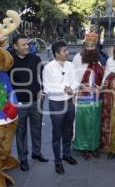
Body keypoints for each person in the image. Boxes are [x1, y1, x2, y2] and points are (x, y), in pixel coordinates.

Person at [8, 34, 48, 172]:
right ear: (15, 46)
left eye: (27, 44)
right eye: (23, 45)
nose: (27, 47)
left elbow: (43, 76)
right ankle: (23, 158)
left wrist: (43, 91)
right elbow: (6, 83)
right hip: (20, 104)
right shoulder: (10, 62)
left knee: (37, 129)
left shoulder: (35, 58)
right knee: (21, 132)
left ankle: (36, 152)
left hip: (36, 102)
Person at [43, 41, 79, 174]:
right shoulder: (48, 68)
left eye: (67, 50)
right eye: (64, 51)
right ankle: (57, 161)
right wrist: (65, 89)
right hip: (56, 103)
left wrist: (72, 88)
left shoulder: (70, 65)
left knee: (68, 130)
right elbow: (47, 88)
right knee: (57, 133)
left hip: (69, 102)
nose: (67, 52)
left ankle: (67, 154)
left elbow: (76, 80)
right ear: (57, 53)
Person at [72, 33, 104, 160]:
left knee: (96, 122)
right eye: (88, 45)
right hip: (82, 96)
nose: (90, 48)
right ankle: (84, 147)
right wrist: (82, 87)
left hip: (96, 96)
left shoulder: (99, 59)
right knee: (83, 122)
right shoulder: (77, 58)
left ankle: (94, 146)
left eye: (93, 46)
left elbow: (103, 76)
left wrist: (100, 87)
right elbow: (73, 78)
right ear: (84, 45)